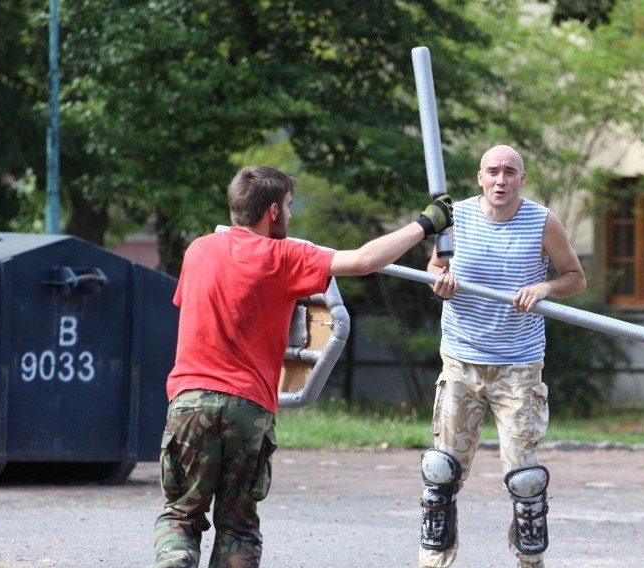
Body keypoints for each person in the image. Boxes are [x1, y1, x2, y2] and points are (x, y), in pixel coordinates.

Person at [152, 164, 453, 568]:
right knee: (238, 526)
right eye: (289, 207)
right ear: (273, 211)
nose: (290, 216)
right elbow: (364, 260)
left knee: (180, 516)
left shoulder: (198, 250)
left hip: (189, 404)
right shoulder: (284, 256)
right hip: (248, 408)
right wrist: (425, 223)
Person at [418, 145, 586, 568]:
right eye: (492, 171)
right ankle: (434, 561)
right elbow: (435, 267)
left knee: (526, 478)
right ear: (479, 177)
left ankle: (530, 562)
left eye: (510, 172)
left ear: (522, 179)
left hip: (519, 364)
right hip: (461, 357)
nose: (501, 179)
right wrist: (439, 281)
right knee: (442, 471)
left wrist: (544, 288)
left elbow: (575, 278)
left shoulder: (543, 222)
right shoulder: (457, 218)